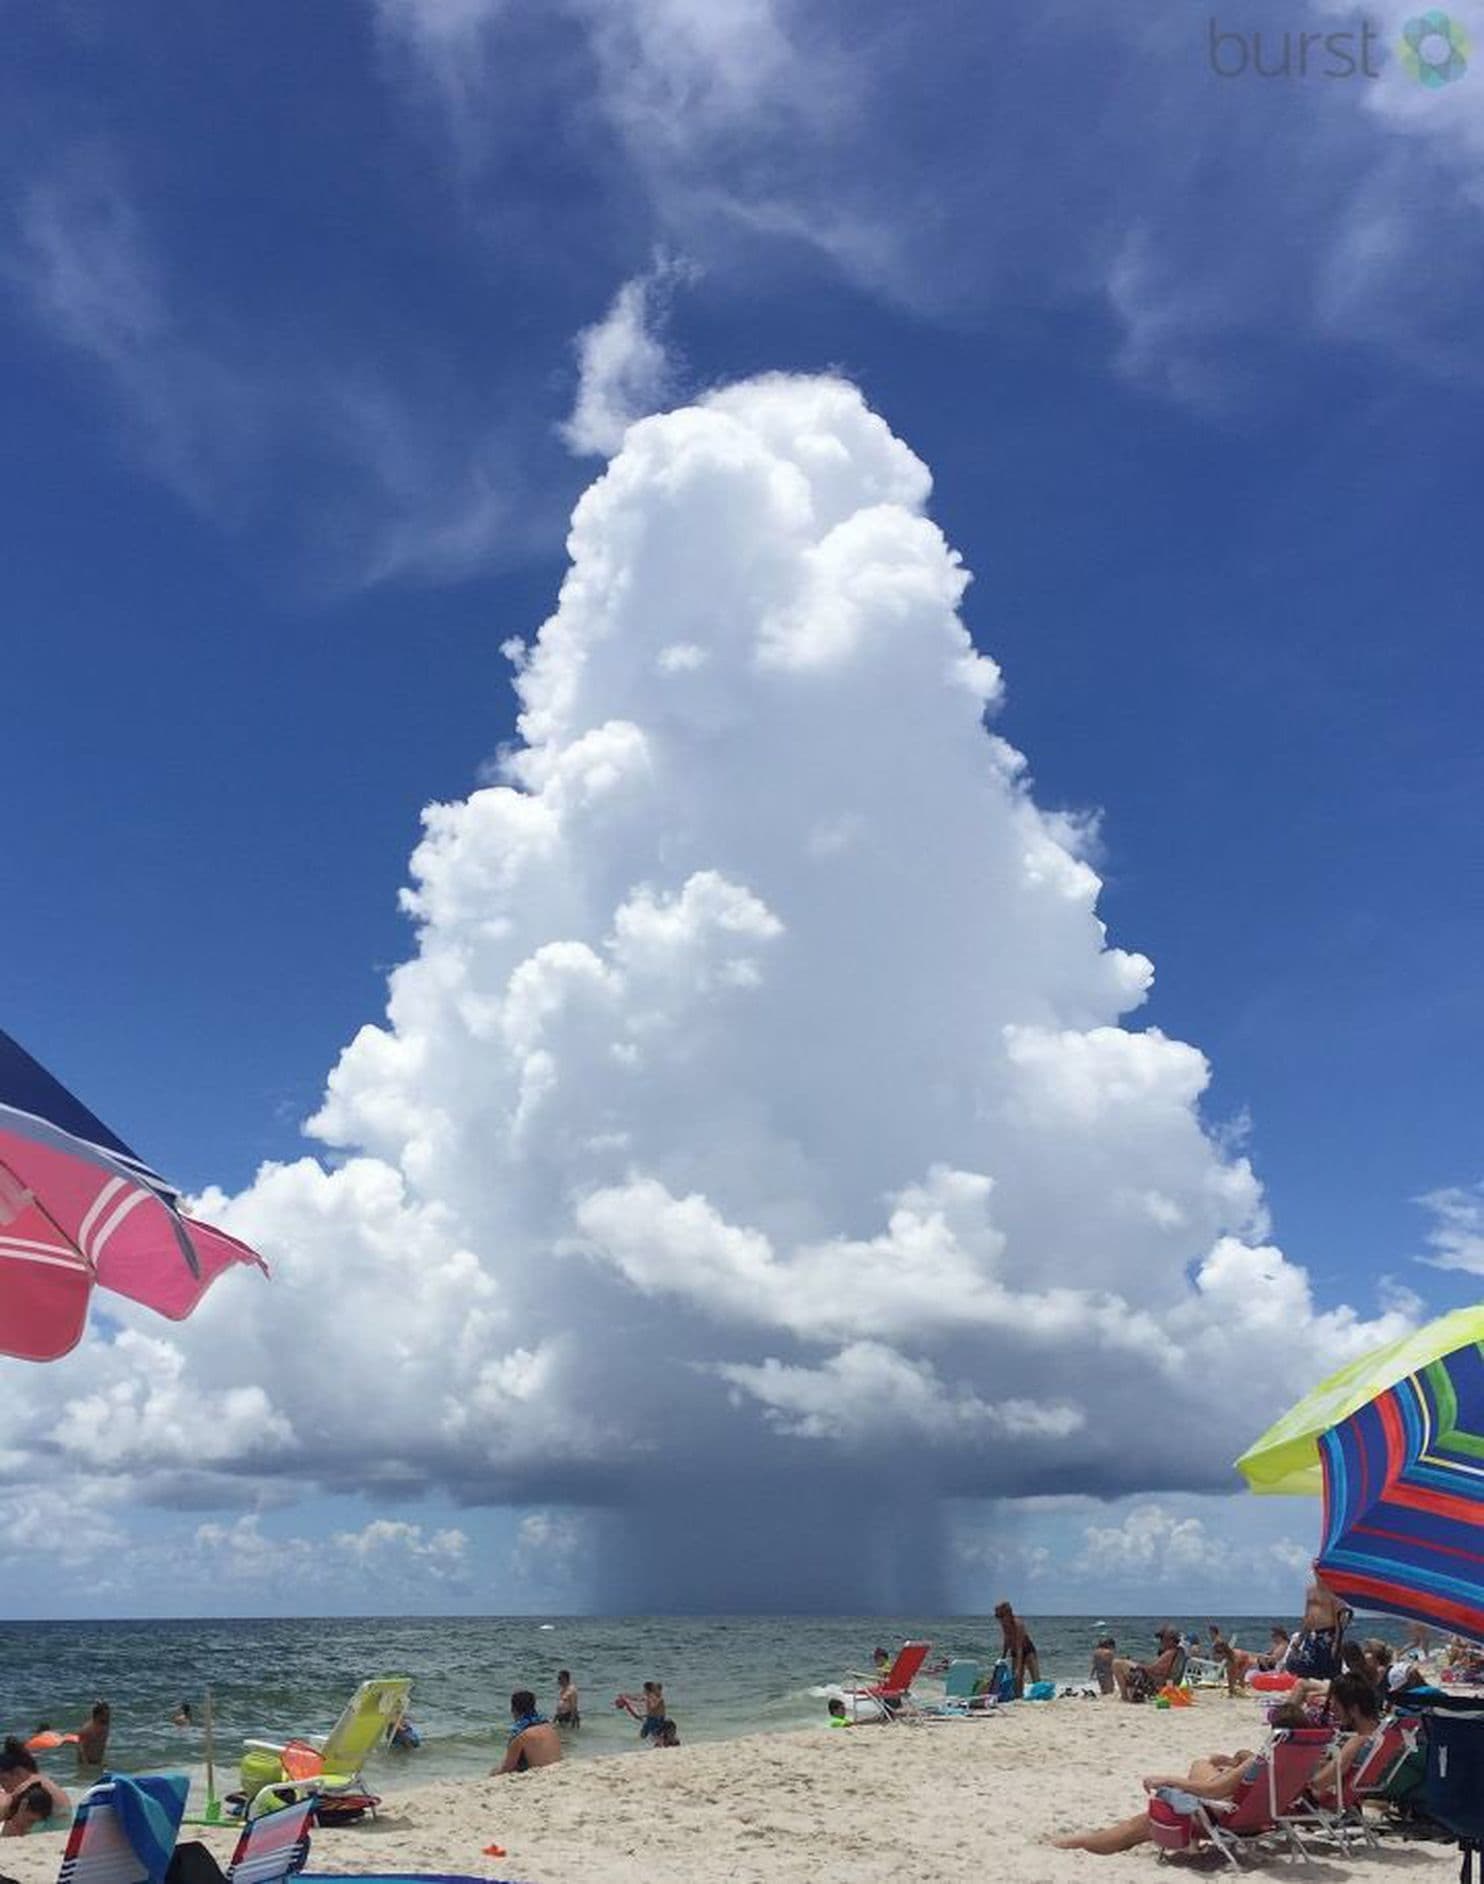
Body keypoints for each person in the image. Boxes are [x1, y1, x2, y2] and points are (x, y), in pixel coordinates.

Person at [1053, 1702, 1309, 1854]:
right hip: (1264, 1819)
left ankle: (1084, 1843)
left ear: (1276, 1734)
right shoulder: (1303, 1761)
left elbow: (1214, 1792)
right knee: (1204, 1768)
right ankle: (1083, 1840)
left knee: (1143, 1824)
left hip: (1229, 1820)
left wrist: (1168, 1780)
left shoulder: (1263, 1761)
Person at [1283, 1566, 1347, 1680]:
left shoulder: (1333, 1591)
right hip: (1311, 1633)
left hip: (1328, 1633)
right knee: (1306, 1667)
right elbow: (1307, 1615)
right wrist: (1301, 1637)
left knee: (1327, 1668)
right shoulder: (1310, 1590)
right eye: (1316, 1569)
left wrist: (1336, 1642)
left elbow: (1340, 1619)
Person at [491, 1690, 561, 1775]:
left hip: (542, 1774)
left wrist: (493, 1772)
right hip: (558, 1770)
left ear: (513, 1709)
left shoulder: (521, 1735)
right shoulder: (550, 1727)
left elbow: (507, 1768)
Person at [0, 1740, 70, 1818]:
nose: (3, 1786)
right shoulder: (43, 1780)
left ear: (18, 1772)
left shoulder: (30, 1785)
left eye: (4, 1779)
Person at [1113, 1626, 1183, 1703]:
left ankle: (1125, 1697)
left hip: (1154, 1685)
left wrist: (1136, 1665)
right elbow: (1160, 1671)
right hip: (1159, 1683)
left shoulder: (1169, 1653)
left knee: (1117, 1663)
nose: (1161, 1642)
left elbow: (1154, 1670)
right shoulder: (1176, 1652)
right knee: (1123, 1663)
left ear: (1170, 1640)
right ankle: (1128, 1696)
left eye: (1162, 1639)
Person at [993, 1602, 1039, 1697]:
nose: (999, 1619)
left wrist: (1018, 1668)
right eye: (997, 1616)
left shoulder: (1018, 1624)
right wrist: (1003, 1657)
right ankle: (1019, 1697)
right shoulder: (1004, 1624)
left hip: (1027, 1650)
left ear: (1008, 1613)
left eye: (1001, 1616)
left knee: (1035, 1678)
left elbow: (1019, 1647)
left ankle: (1039, 1695)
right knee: (1017, 1681)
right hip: (1015, 1651)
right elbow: (1007, 1640)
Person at [75, 1703, 110, 1769]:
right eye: (105, 1715)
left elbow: (102, 1745)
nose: (108, 1717)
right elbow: (81, 1749)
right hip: (86, 1763)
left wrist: (100, 1762)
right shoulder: (87, 1729)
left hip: (98, 1762)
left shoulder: (105, 1726)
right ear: (98, 1715)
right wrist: (86, 1765)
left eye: (108, 1715)